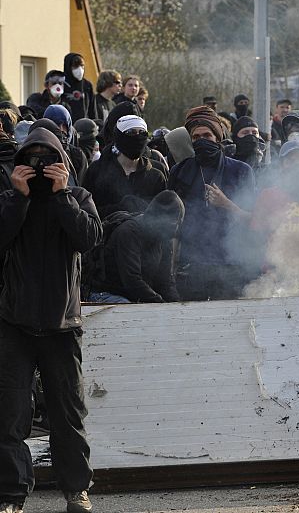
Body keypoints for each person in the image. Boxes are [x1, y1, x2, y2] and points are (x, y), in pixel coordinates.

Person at [0, 126, 101, 513]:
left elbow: (89, 238)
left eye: (49, 159)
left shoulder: (78, 196)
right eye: (33, 159)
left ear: (63, 162)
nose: (40, 166)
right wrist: (18, 198)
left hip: (63, 325)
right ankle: (11, 496)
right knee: (10, 415)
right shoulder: (10, 199)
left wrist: (62, 195)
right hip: (15, 322)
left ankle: (76, 491)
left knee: (68, 412)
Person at [167, 106, 256, 301]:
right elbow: (172, 226)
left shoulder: (240, 170)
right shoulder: (180, 172)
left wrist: (226, 204)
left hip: (230, 265)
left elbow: (253, 220)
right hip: (192, 267)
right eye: (196, 137)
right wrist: (171, 269)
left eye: (207, 135)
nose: (202, 140)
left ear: (217, 137)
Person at [88, 191, 184, 303]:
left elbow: (165, 283)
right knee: (126, 307)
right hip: (107, 294)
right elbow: (132, 281)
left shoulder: (163, 238)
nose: (176, 228)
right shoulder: (129, 232)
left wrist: (176, 305)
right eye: (174, 222)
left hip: (133, 296)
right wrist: (160, 304)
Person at [82, 115, 166, 218]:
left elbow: (163, 215)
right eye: (131, 132)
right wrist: (120, 209)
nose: (138, 137)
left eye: (142, 132)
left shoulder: (156, 176)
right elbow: (87, 211)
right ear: (119, 137)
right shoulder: (96, 171)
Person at [41, 105, 89, 185]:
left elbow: (83, 185)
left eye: (64, 125)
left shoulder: (77, 156)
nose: (61, 130)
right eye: (56, 125)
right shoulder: (38, 151)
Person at [63, 53, 96, 120]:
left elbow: (92, 110)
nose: (80, 69)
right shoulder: (62, 84)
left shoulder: (87, 85)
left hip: (84, 124)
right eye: (75, 66)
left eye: (82, 66)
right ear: (68, 67)